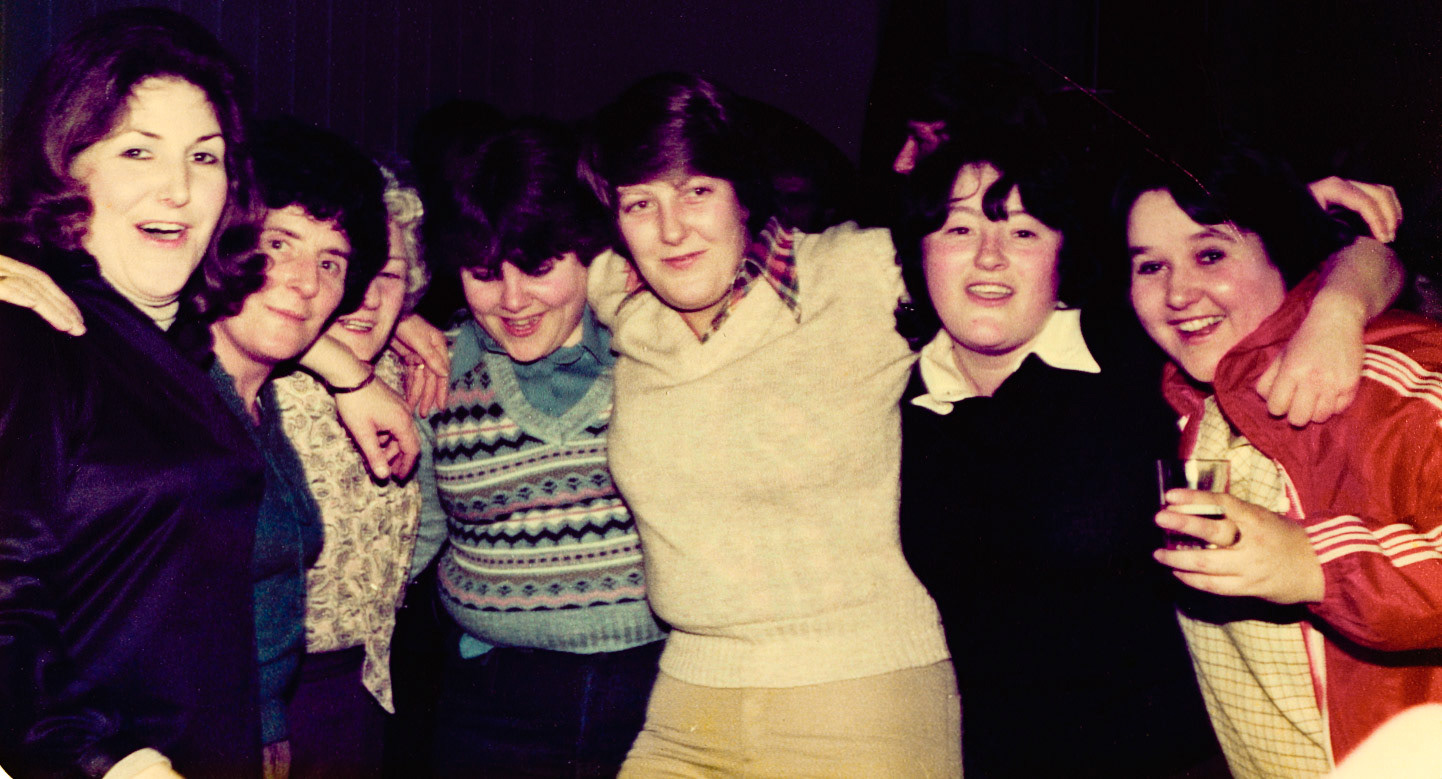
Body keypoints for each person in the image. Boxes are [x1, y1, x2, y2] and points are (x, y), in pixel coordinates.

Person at [581, 72, 960, 777]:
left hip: (861, 695)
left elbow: (1028, 268)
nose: (671, 230)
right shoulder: (621, 299)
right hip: (687, 700)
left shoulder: (861, 272)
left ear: (743, 193)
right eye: (641, 203)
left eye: (697, 190)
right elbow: (489, 277)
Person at [0, 9, 266, 778]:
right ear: (67, 165)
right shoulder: (35, 332)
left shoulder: (171, 345)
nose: (179, 187)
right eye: (137, 150)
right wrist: (98, 758)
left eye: (205, 156)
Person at [1122, 142, 1442, 777]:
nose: (1179, 292)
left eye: (1210, 254)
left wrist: (1315, 562)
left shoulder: (1391, 372)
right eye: (1149, 267)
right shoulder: (1189, 399)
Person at [409, 118, 667, 779]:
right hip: (491, 705)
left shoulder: (654, 351)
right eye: (484, 272)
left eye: (541, 266)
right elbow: (406, 543)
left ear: (591, 253)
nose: (514, 300)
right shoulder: (439, 368)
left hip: (660, 694)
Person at [205, 116, 388, 779]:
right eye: (279, 242)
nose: (305, 280)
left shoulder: (262, 396)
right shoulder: (172, 391)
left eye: (331, 260)